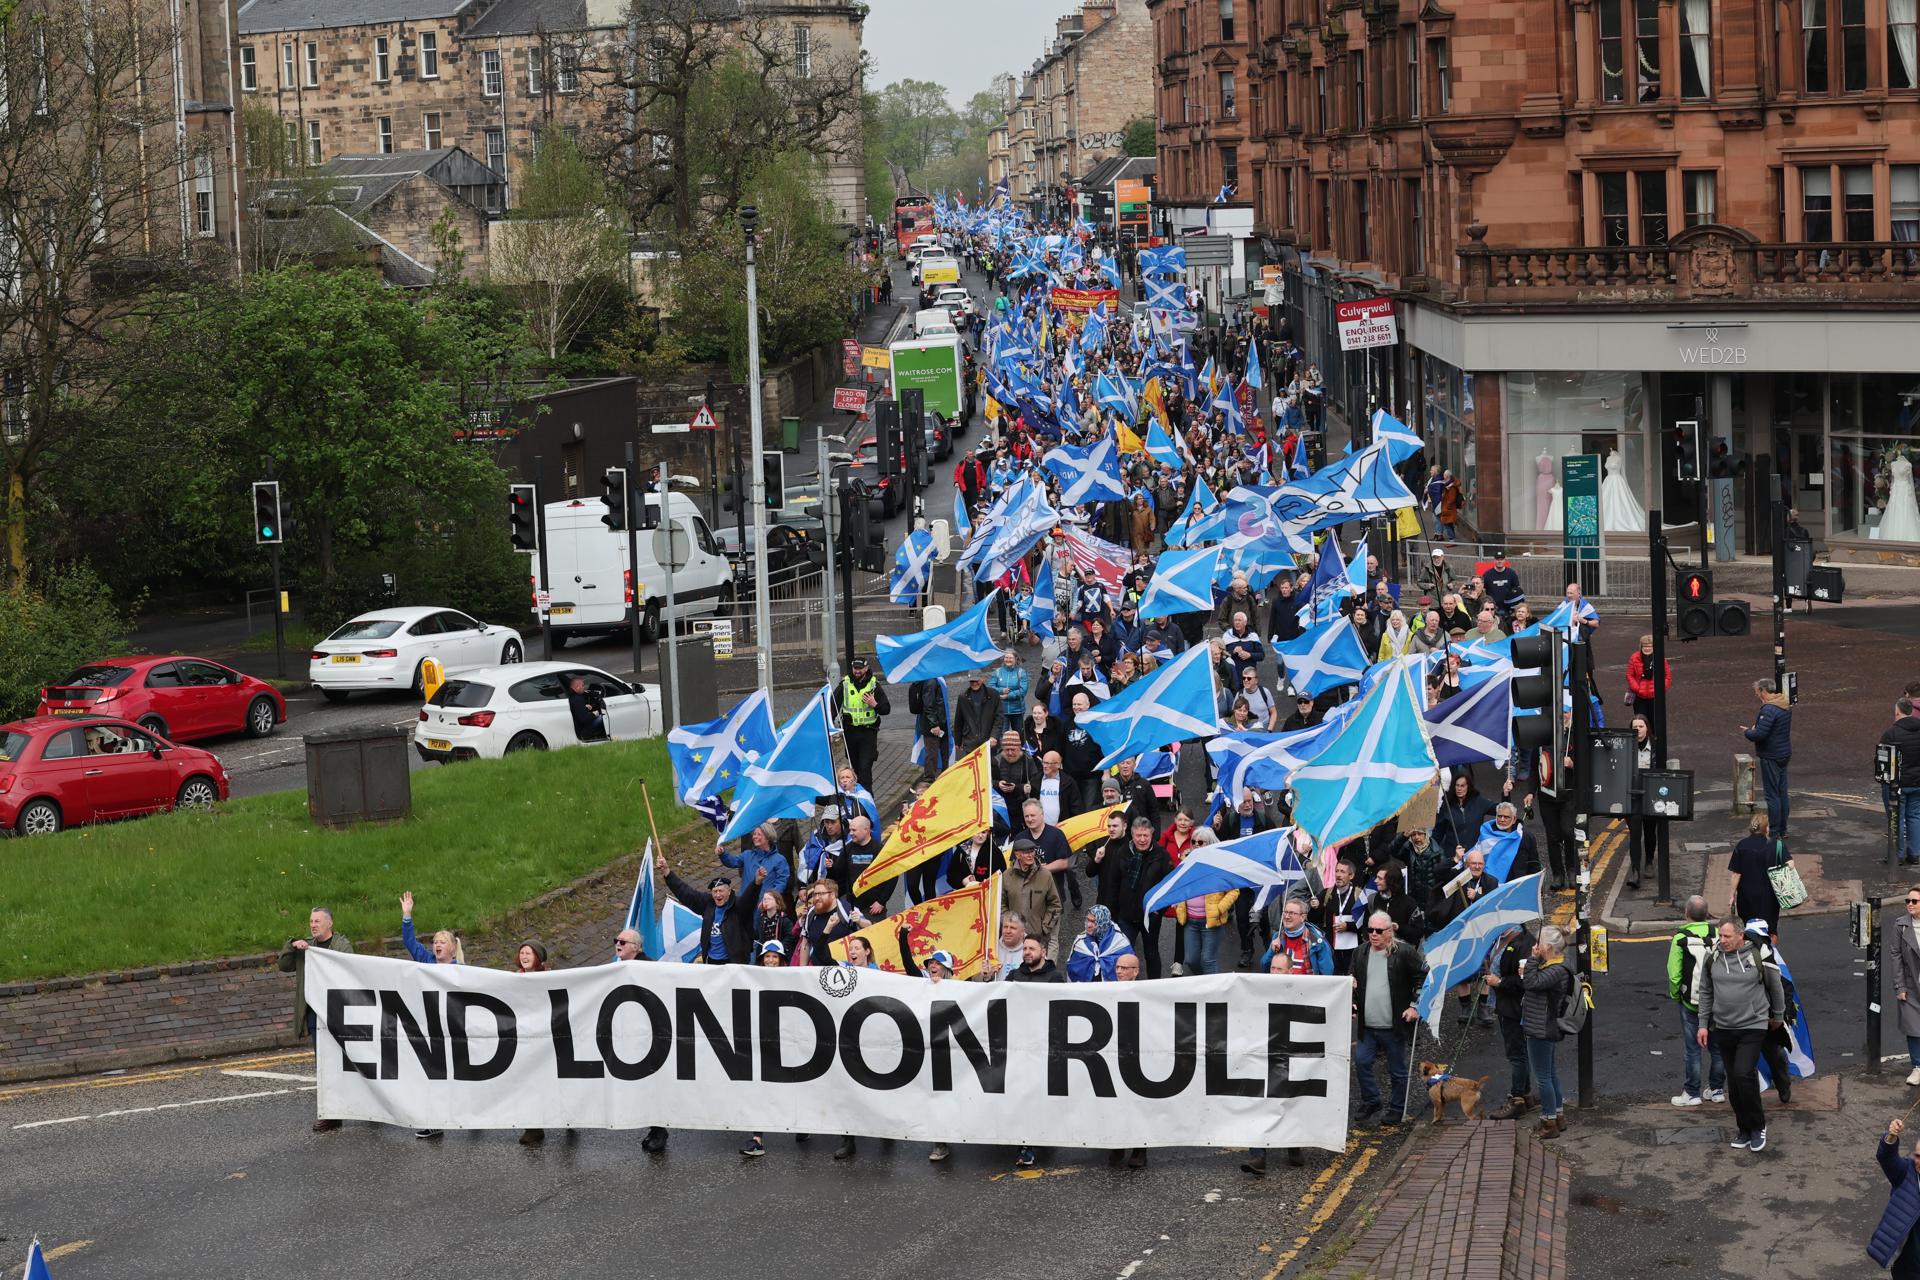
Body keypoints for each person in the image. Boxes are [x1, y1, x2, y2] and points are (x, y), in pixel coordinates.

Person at [1697, 916, 1787, 1152]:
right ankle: (1744, 1128)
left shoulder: (1758, 954)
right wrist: (1703, 1024)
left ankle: (1758, 1126)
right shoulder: (1713, 956)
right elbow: (1705, 991)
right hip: (1724, 1027)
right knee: (1734, 1083)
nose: (1722, 940)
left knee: (1743, 1073)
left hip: (1753, 1024)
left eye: (1727, 936)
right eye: (1720, 935)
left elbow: (1775, 985)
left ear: (1741, 936)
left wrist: (1778, 1016)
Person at [280, 907, 354, 1133]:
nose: (313, 925)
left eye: (318, 921)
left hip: (339, 1012)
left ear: (329, 923)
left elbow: (349, 967)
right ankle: (331, 1114)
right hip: (315, 1013)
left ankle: (371, 1107)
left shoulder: (341, 945)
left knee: (352, 1062)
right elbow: (284, 965)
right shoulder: (305, 948)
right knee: (324, 1064)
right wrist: (292, 945)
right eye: (311, 921)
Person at [1350, 911, 1425, 1127]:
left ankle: (1396, 1108)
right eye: (1370, 930)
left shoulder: (1404, 953)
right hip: (1368, 1025)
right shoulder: (1359, 953)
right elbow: (1353, 980)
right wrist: (1353, 999)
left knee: (1397, 1070)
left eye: (1378, 931)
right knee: (1362, 1062)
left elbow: (1422, 979)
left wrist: (1414, 1006)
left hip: (1394, 1025)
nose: (1373, 934)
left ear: (1389, 932)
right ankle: (1372, 1101)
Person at [1503, 925, 1573, 1140]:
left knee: (1543, 1077)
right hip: (1544, 1025)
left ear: (1549, 947)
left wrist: (1531, 962)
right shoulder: (1555, 965)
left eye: (1540, 943)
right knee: (1550, 1074)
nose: (1536, 945)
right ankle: (1558, 1117)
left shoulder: (1556, 969)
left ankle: (1548, 1121)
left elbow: (1532, 983)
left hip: (1541, 1027)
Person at [1667, 895, 1728, 1107]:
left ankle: (1692, 1093)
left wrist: (1677, 995)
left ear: (1686, 914)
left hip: (1691, 1002)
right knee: (1717, 1048)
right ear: (1707, 915)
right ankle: (1717, 1089)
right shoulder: (1718, 934)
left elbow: (1674, 974)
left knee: (1693, 1048)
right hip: (1717, 1001)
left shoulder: (1680, 938)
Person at [661, 853, 754, 965]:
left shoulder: (738, 905)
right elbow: (686, 893)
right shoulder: (707, 903)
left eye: (721, 891)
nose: (718, 894)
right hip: (711, 961)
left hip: (734, 963)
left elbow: (750, 899)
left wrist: (756, 883)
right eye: (715, 891)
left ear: (729, 891)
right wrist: (667, 872)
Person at [1485, 922, 1538, 1121]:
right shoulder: (1502, 937)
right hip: (1505, 1005)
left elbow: (1525, 980)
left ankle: (1517, 1099)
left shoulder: (1523, 943)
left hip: (1515, 1007)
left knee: (1517, 1053)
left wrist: (1499, 982)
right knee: (1518, 1051)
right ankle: (1525, 1095)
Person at [1742, 677, 1793, 839]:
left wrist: (1748, 732)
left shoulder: (1769, 709)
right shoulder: (1784, 705)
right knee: (1782, 792)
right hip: (1784, 753)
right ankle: (1783, 829)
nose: (1757, 694)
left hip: (1771, 755)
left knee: (1772, 795)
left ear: (1763, 691)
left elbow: (1760, 734)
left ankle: (1775, 830)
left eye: (1757, 691)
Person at [1872, 1118, 1920, 1278]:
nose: (1919, 1162)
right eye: (1918, 1156)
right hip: (1908, 1267)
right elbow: (1886, 1157)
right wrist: (1891, 1136)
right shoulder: (1907, 1172)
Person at [835, 656, 890, 792]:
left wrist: (874, 704)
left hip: (868, 733)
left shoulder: (873, 685)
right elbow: (833, 706)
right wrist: (830, 729)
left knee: (865, 767)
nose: (857, 671)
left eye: (860, 668)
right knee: (854, 768)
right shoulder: (845, 684)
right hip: (850, 732)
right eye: (855, 668)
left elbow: (886, 709)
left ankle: (867, 800)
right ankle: (855, 798)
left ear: (866, 668)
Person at [1727, 814, 1785, 939]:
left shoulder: (1741, 845)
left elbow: (1736, 874)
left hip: (1746, 897)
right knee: (1770, 931)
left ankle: (1751, 955)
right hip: (1769, 897)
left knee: (1748, 929)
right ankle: (1769, 954)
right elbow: (1787, 866)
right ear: (1766, 828)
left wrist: (1732, 895)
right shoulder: (1773, 846)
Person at [1003, 836, 1061, 956]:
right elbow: (1002, 904)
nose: (1030, 855)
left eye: (1032, 851)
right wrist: (1009, 925)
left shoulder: (1045, 875)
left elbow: (1055, 905)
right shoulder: (1007, 876)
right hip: (1015, 938)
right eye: (1026, 852)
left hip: (1038, 936)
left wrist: (1044, 927)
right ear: (1017, 854)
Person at [1883, 696, 1920, 866]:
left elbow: (1882, 762)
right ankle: (1915, 853)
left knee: (1896, 817)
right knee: (1915, 816)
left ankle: (1896, 855)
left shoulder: (1891, 733)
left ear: (1897, 713)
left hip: (1897, 784)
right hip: (1917, 782)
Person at [720, 824, 791, 900]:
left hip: (764, 905)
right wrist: (723, 853)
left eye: (759, 834)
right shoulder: (747, 855)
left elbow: (781, 882)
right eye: (754, 834)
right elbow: (732, 862)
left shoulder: (779, 860)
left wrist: (771, 898)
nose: (754, 837)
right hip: (745, 902)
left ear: (768, 837)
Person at [1265, 897, 1334, 975]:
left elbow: (1327, 973)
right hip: (1282, 985)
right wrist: (1271, 951)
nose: (1287, 916)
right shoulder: (1277, 937)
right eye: (1285, 912)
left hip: (1307, 986)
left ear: (1303, 917)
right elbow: (1265, 968)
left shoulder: (1316, 940)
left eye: (1292, 913)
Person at [1894, 885, 1920, 1087]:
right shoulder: (1901, 925)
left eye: (1914, 901)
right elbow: (1895, 956)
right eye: (1908, 901)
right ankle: (1917, 1067)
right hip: (1911, 986)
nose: (1909, 905)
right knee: (1914, 1028)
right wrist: (1900, 986)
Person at [1068, 906, 1136, 981]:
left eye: (1093, 921)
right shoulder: (1080, 941)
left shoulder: (1120, 942)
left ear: (1103, 922)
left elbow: (1130, 970)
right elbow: (1072, 967)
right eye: (1088, 920)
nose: (1088, 925)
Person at [991, 729, 1041, 819]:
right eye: (1007, 750)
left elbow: (1035, 783)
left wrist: (1020, 788)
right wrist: (998, 784)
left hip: (1021, 807)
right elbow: (987, 781)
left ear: (1019, 748)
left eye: (1013, 750)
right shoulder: (996, 760)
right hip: (1000, 807)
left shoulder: (1027, 760)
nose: (1010, 753)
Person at [953, 672, 1001, 756]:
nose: (974, 683)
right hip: (970, 742)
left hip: (989, 741)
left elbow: (999, 717)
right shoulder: (962, 697)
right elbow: (958, 720)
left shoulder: (993, 694)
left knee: (990, 767)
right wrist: (957, 742)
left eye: (977, 680)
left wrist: (994, 735)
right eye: (972, 681)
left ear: (982, 679)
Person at [1625, 633, 1671, 711]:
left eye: (1650, 646)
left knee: (1655, 721)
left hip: (1656, 697)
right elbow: (1629, 675)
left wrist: (1660, 689)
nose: (1647, 648)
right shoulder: (1634, 657)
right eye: (1645, 646)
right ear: (1641, 646)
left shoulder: (1660, 658)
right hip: (1639, 697)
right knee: (1641, 720)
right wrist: (1637, 688)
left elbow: (1667, 676)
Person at [987, 650, 1030, 728]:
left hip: (1018, 711)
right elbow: (990, 688)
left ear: (1016, 659)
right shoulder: (997, 672)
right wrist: (1001, 690)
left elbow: (1023, 690)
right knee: (1002, 736)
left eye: (1010, 658)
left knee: (1019, 736)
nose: (1008, 660)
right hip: (1001, 710)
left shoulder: (1021, 672)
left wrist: (1008, 696)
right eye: (1006, 657)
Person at [565, 675, 608, 742]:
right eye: (583, 685)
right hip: (583, 729)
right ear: (577, 687)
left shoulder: (570, 696)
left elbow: (576, 710)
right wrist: (594, 714)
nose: (584, 687)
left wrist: (584, 707)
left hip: (578, 725)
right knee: (605, 716)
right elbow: (584, 719)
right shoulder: (577, 699)